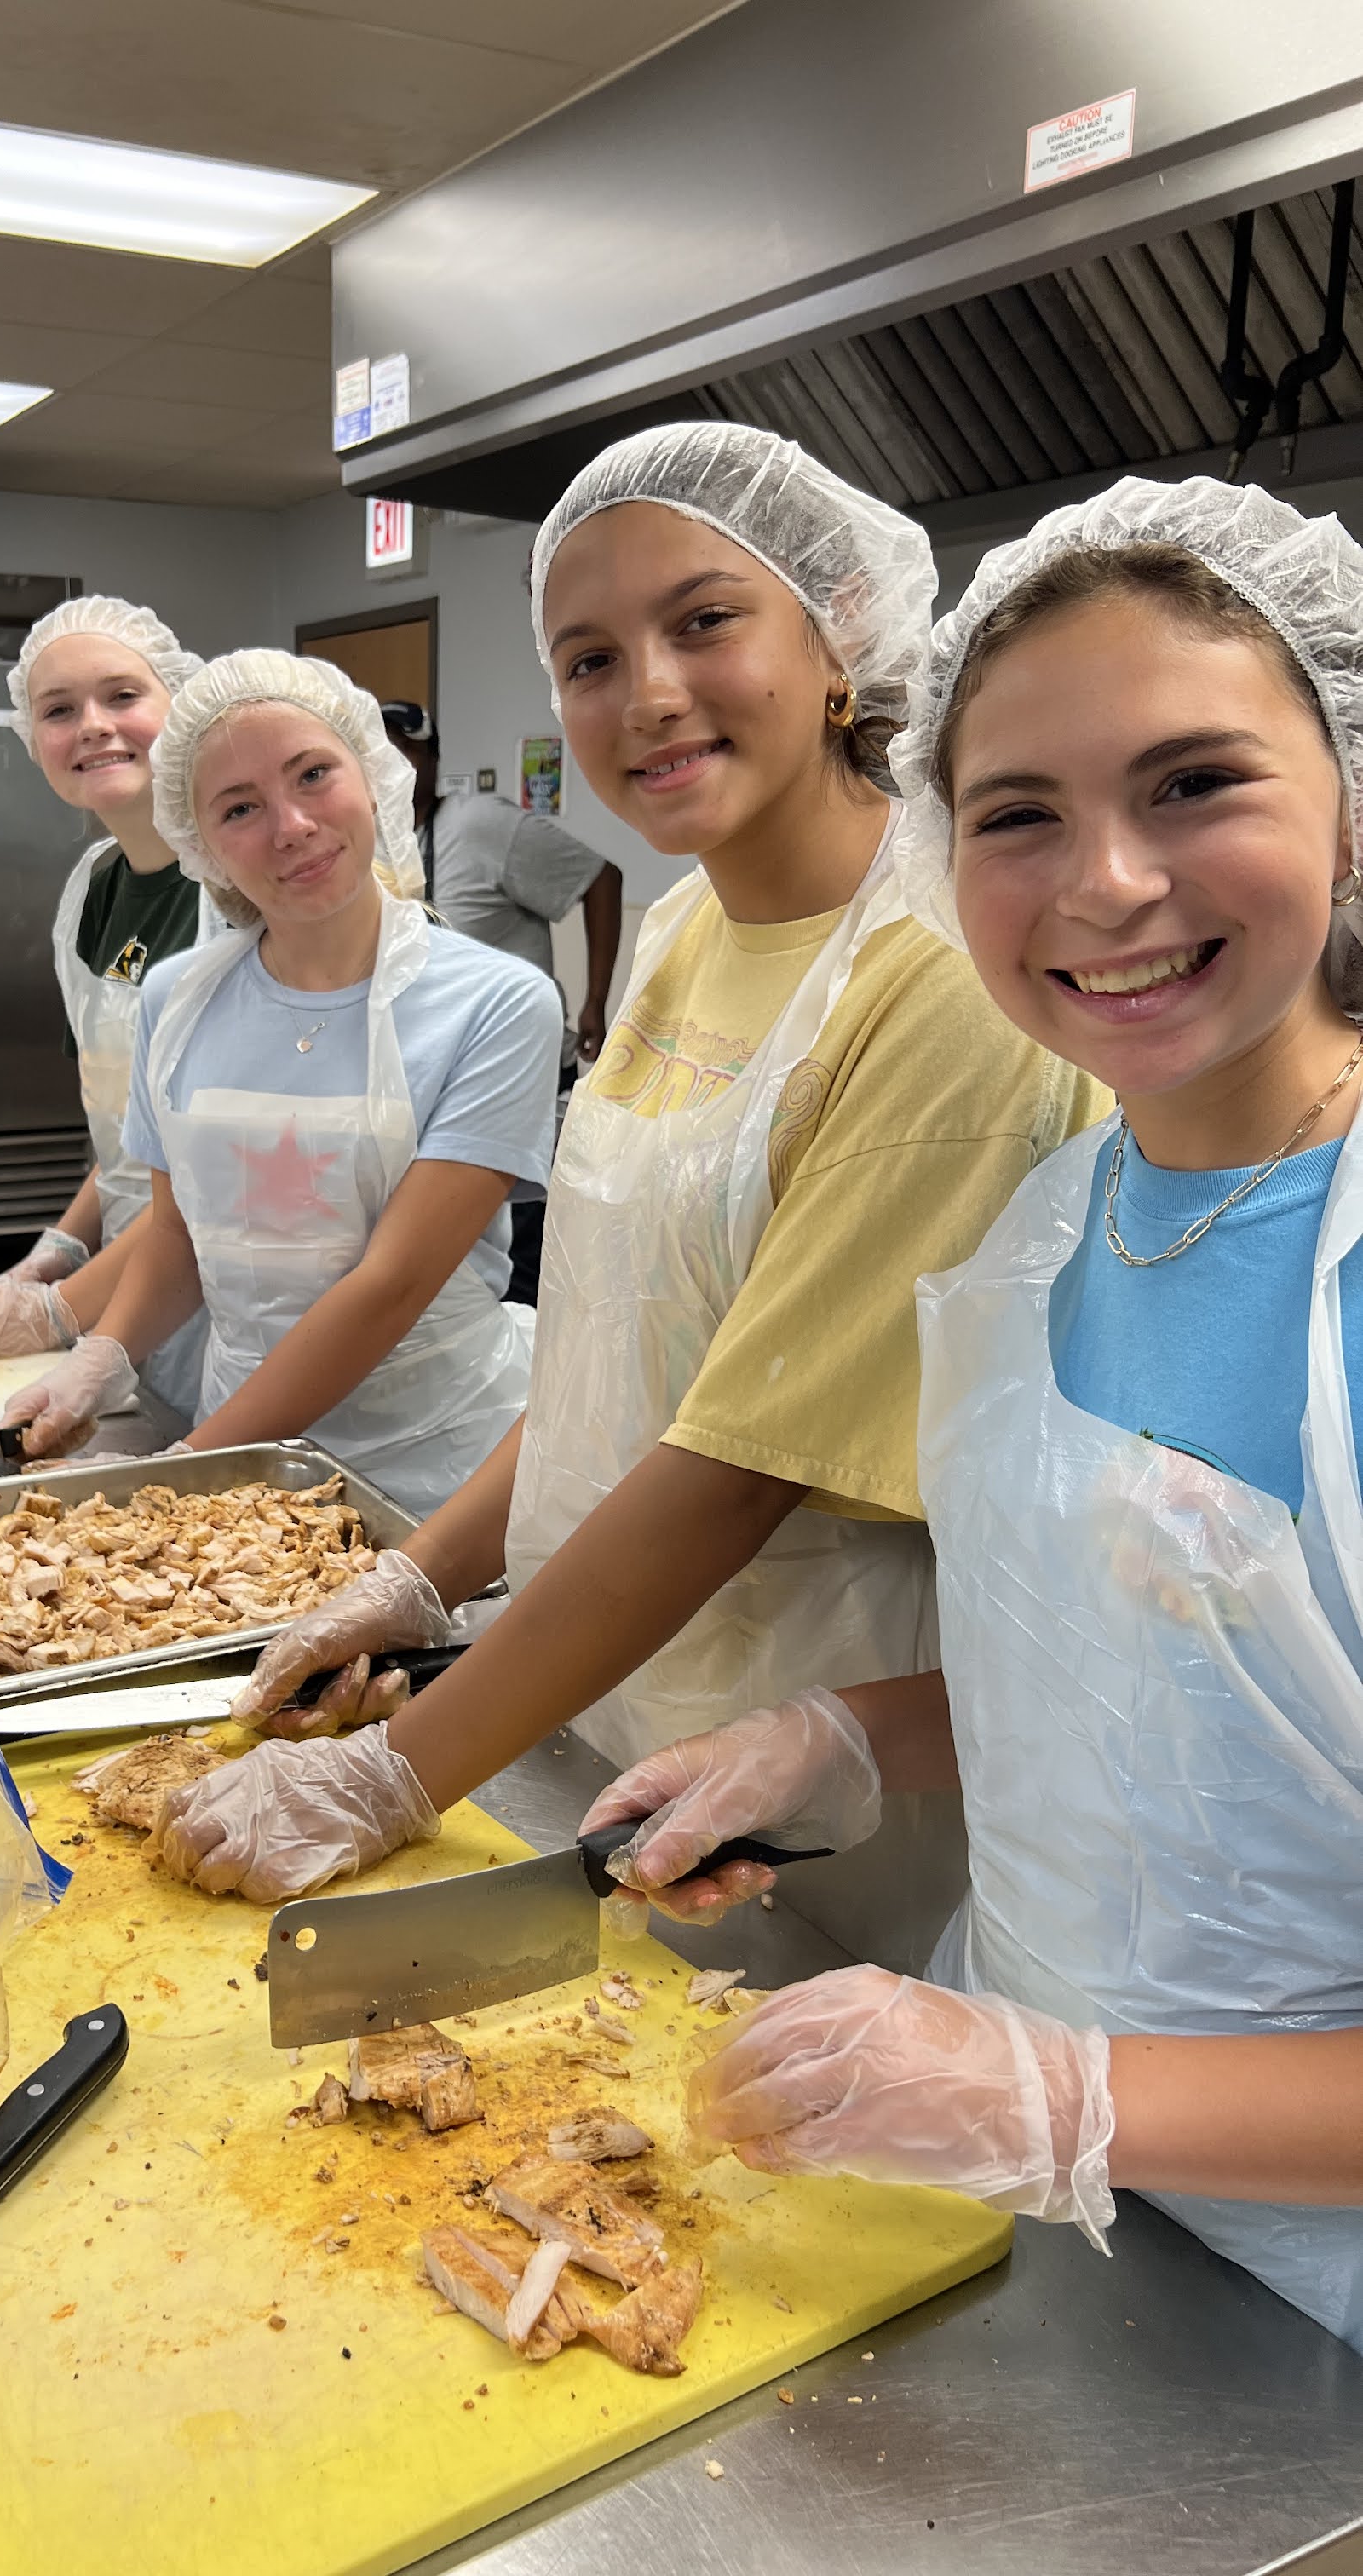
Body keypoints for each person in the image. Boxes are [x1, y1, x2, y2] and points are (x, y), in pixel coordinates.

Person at [601, 476, 1363, 2352]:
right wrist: (843, 1744)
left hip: (1312, 2332)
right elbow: (1175, 1685)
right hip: (1044, 2238)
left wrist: (1071, 2098)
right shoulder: (1054, 1224)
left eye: (1194, 784)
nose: (1104, 883)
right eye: (1018, 816)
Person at [153, 422, 1105, 1906]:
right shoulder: (678, 930)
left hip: (813, 1769)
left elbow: (735, 1468)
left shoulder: (938, 980)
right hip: (609, 1699)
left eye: (703, 619)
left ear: (836, 631)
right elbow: (619, 1353)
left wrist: (399, 1768)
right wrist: (421, 1576)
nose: (645, 694)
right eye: (587, 658)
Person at [0, 647, 563, 1514]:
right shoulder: (177, 998)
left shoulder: (497, 1003)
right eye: (240, 808)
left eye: (314, 774)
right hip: (240, 1457)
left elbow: (390, 1286)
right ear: (204, 844)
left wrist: (181, 1470)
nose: (290, 825)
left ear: (372, 776)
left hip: (439, 1467)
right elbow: (177, 1235)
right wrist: (101, 1356)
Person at [0, 595, 213, 1417]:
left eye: (123, 697)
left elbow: (226, 1180)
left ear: (180, 701)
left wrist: (55, 1310)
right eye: (59, 711)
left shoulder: (230, 895)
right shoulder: (92, 890)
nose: (94, 727)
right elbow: (129, 1137)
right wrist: (57, 1252)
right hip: (135, 1301)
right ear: (31, 740)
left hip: (236, 1292)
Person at [380, 699, 624, 1301]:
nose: (394, 765)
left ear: (433, 759)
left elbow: (602, 878)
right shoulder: (374, 847)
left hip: (518, 1075)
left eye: (407, 750)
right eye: (379, 752)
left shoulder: (478, 824)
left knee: (522, 1258)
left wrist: (594, 1001)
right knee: (454, 1261)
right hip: (429, 1083)